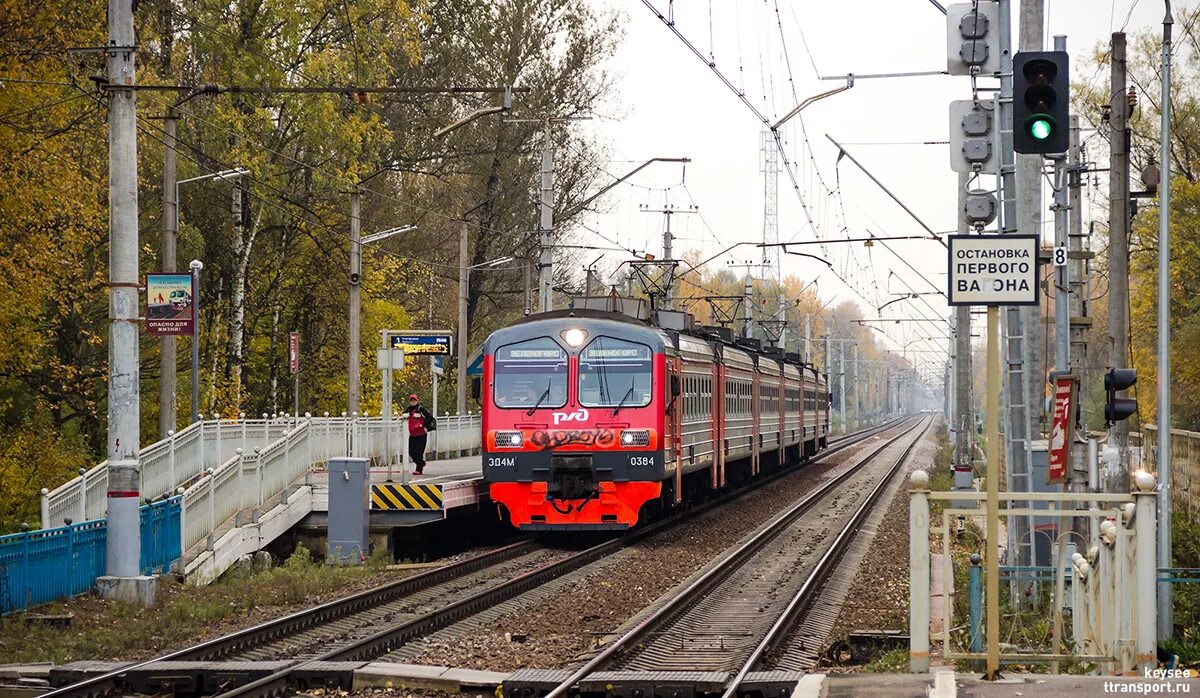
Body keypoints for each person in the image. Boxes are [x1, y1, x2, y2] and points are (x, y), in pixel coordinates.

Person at [404, 393, 434, 475]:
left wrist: (423, 426)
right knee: (410, 451)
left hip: (421, 434)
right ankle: (421, 463)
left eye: (414, 400)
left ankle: (419, 469)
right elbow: (403, 416)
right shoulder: (408, 410)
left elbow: (430, 418)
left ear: (417, 401)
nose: (413, 402)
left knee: (419, 452)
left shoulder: (421, 409)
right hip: (413, 434)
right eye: (411, 400)